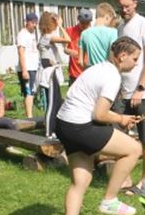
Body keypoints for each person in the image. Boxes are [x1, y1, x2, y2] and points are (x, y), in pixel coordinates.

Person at [56, 37, 145, 215]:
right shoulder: (112, 76)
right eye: (134, 59)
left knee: (81, 181)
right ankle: (110, 199)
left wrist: (120, 119)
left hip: (64, 124)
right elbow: (100, 114)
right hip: (80, 126)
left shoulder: (98, 68)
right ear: (122, 56)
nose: (136, 64)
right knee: (133, 149)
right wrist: (121, 119)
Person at [116, 0, 145, 184]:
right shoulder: (120, 28)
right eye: (121, 6)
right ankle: (124, 178)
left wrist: (140, 89)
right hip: (123, 92)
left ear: (135, 3)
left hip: (143, 93)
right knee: (120, 136)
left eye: (127, 6)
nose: (124, 10)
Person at [37, 11, 71, 139]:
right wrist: (61, 26)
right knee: (52, 103)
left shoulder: (46, 37)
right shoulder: (47, 37)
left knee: (57, 101)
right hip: (49, 72)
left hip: (52, 70)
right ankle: (48, 132)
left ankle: (55, 130)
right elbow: (67, 39)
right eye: (55, 22)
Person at [80, 3, 119, 68]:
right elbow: (114, 56)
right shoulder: (113, 32)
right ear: (107, 17)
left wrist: (89, 70)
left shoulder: (84, 33)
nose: (110, 23)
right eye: (110, 20)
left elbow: (80, 61)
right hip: (107, 71)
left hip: (93, 71)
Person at [16, 13, 41, 118]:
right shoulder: (22, 35)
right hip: (27, 68)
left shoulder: (32, 34)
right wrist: (24, 70)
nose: (35, 25)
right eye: (33, 23)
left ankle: (30, 115)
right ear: (27, 22)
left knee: (31, 92)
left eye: (36, 23)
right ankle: (29, 117)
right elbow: (21, 53)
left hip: (33, 67)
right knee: (28, 92)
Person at [65, 9, 93, 82]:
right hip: (74, 74)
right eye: (82, 22)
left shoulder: (93, 33)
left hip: (88, 73)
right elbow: (65, 49)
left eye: (87, 23)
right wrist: (70, 51)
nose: (85, 25)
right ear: (78, 20)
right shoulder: (70, 31)